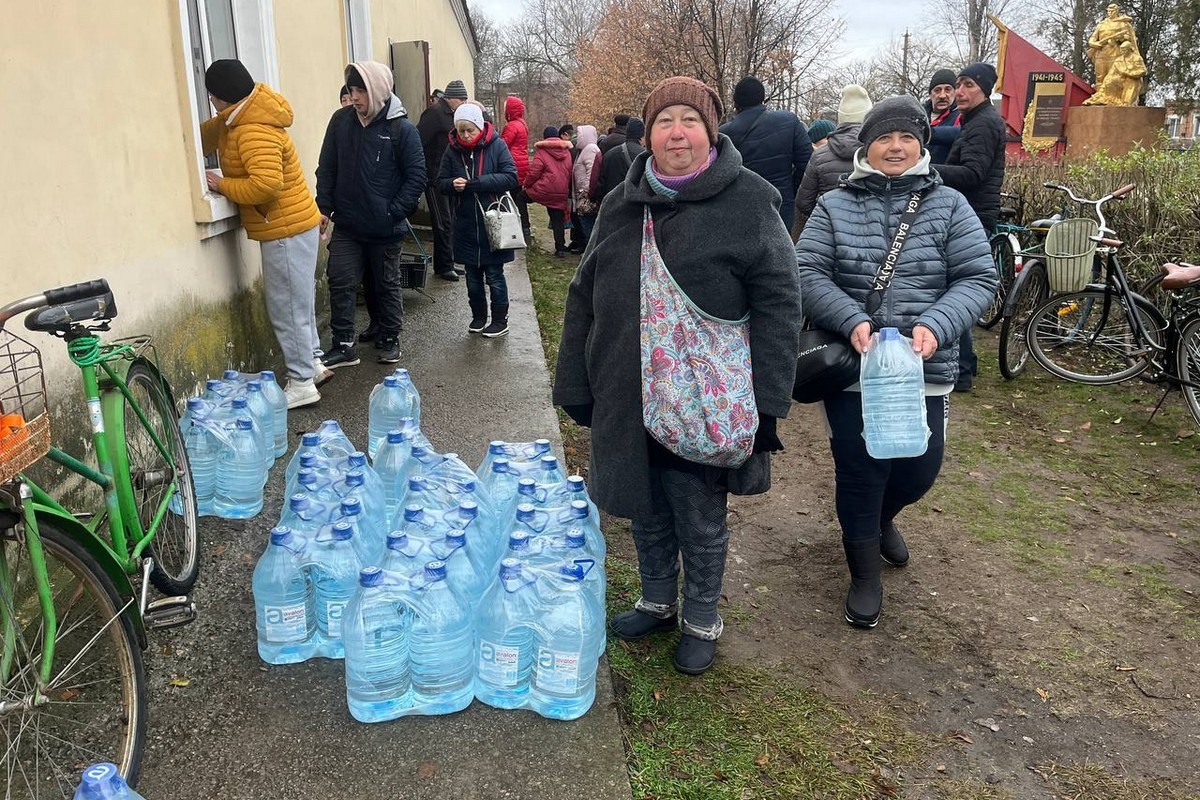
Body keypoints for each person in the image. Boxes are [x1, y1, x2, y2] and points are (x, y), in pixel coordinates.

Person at [553, 76, 802, 675]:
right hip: (627, 391)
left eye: (690, 119)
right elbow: (582, 295)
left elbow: (780, 303)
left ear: (711, 130)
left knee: (698, 511)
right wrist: (575, 383)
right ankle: (658, 599)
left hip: (703, 402)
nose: (677, 132)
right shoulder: (621, 204)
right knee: (646, 506)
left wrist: (769, 402)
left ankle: (700, 617)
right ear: (648, 134)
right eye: (665, 121)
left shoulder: (749, 202)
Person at [795, 95, 996, 629]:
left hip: (922, 368)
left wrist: (936, 324)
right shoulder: (834, 205)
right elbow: (806, 270)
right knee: (861, 472)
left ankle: (884, 518)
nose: (896, 146)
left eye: (907, 137)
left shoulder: (950, 204)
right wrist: (848, 319)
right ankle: (863, 572)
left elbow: (979, 278)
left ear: (922, 145)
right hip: (854, 367)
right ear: (867, 146)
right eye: (885, 137)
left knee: (918, 469)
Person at [200, 59, 326, 409]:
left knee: (286, 307)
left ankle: (302, 382)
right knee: (298, 302)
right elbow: (207, 134)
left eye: (212, 97)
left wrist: (221, 184)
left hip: (283, 227)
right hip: (291, 224)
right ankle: (312, 364)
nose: (211, 103)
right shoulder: (240, 117)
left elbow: (266, 185)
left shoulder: (252, 128)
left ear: (220, 97)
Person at [316, 61, 425, 368]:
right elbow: (327, 167)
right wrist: (324, 207)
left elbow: (416, 177)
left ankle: (390, 338)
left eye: (361, 90)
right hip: (349, 224)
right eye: (351, 90)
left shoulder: (401, 130)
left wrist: (393, 212)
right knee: (340, 279)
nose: (355, 97)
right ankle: (344, 345)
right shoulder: (341, 122)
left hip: (384, 227)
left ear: (378, 90)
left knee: (385, 283)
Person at [936, 62, 1006, 393]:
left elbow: (973, 173)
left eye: (968, 86)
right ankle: (967, 364)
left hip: (973, 216)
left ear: (984, 90)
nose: (959, 92)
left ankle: (961, 371)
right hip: (973, 213)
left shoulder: (983, 125)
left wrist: (927, 168)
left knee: (958, 290)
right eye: (958, 85)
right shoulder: (976, 121)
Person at [438, 101, 519, 337]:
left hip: (494, 224)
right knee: (472, 277)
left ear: (480, 126)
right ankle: (478, 317)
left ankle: (500, 320)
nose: (465, 135)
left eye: (469, 130)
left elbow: (510, 177)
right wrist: (452, 185)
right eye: (461, 131)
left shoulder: (497, 145)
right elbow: (440, 182)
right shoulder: (451, 151)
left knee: (494, 275)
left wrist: (475, 184)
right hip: (465, 225)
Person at [719, 76, 812, 230]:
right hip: (781, 205)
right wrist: (790, 189)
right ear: (762, 97)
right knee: (781, 251)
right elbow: (807, 165)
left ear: (736, 102)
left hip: (740, 206)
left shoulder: (724, 134)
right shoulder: (789, 121)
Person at [794, 84, 872, 231]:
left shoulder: (819, 156)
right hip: (872, 232)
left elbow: (803, 202)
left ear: (840, 117)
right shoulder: (882, 153)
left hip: (830, 231)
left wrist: (824, 215)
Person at [417, 80, 469, 282]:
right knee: (442, 222)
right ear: (451, 97)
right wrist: (423, 172)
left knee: (451, 220)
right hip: (434, 178)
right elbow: (418, 141)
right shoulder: (435, 114)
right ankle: (444, 266)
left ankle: (447, 262)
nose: (464, 102)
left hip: (450, 177)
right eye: (462, 98)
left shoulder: (454, 115)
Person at [523, 125, 573, 257]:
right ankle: (560, 248)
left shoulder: (542, 151)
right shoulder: (566, 151)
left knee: (520, 198)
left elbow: (534, 172)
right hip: (561, 191)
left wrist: (526, 185)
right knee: (558, 218)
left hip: (544, 190)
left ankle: (525, 227)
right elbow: (569, 170)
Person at [499, 95, 532, 238]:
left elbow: (502, 145)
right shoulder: (522, 124)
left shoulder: (511, 126)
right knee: (518, 198)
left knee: (510, 199)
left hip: (513, 164)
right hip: (522, 164)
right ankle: (525, 228)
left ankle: (515, 230)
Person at [594, 117, 645, 204]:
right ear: (641, 136)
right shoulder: (644, 155)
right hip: (635, 207)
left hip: (611, 205)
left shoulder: (609, 154)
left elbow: (600, 185)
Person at [571, 125, 601, 244]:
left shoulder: (590, 149)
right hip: (582, 195)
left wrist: (586, 192)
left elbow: (592, 172)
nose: (577, 138)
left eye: (579, 135)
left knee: (588, 226)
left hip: (586, 197)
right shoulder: (583, 151)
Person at [924, 69, 961, 164]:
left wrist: (927, 133)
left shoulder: (961, 116)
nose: (942, 95)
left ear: (955, 92)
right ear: (930, 94)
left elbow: (961, 135)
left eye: (948, 89)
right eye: (937, 90)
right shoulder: (918, 116)